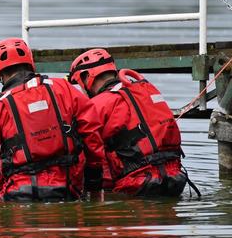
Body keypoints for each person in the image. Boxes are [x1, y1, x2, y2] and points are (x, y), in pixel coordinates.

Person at [0, 38, 107, 202]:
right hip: (66, 190)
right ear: (31, 61)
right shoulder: (64, 89)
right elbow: (91, 134)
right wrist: (94, 182)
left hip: (18, 196)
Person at [68, 48, 198, 197]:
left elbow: (88, 154)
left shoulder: (98, 105)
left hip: (136, 185)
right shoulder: (147, 92)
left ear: (86, 77)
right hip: (176, 179)